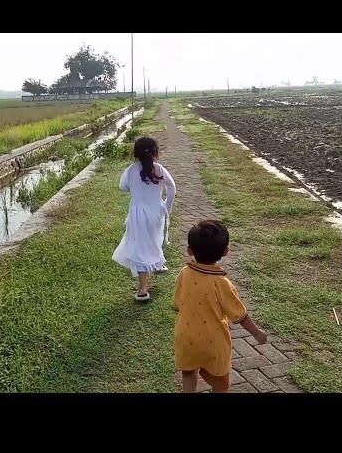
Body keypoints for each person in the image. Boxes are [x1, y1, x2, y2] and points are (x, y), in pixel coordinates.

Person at [174, 220, 268, 393]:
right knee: (220, 383)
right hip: (214, 342)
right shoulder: (221, 283)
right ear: (226, 252)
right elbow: (239, 314)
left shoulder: (184, 273)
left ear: (189, 251)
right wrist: (257, 333)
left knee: (188, 372)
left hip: (186, 338)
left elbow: (178, 303)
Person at [112, 136, 176, 301]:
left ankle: (143, 288)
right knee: (155, 238)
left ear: (136, 154)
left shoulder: (131, 170)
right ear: (155, 152)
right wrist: (167, 207)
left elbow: (122, 186)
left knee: (140, 246)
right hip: (156, 212)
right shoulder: (160, 169)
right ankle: (157, 264)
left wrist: (136, 189)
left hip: (137, 214)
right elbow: (172, 188)